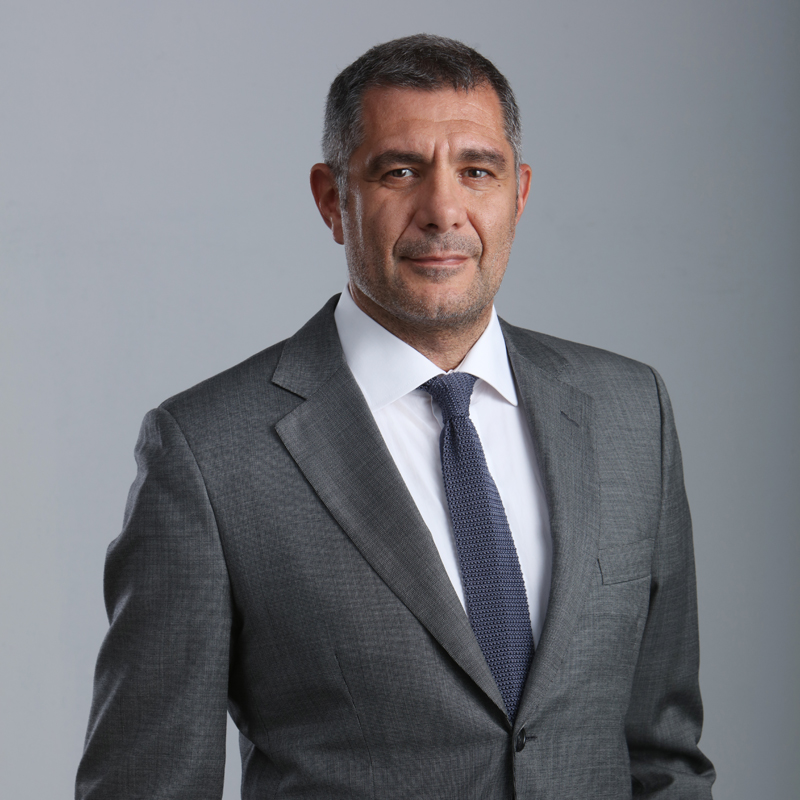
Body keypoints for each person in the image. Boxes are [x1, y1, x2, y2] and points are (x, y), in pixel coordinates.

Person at [76, 34, 715, 799]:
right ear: (331, 199)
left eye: (477, 171)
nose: (443, 210)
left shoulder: (629, 412)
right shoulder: (210, 453)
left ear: (518, 193)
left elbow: (665, 759)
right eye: (400, 171)